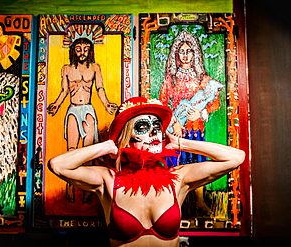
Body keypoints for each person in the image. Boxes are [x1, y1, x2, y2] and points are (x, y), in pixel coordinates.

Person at [48, 97, 245, 247]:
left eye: (157, 127)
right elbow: (58, 165)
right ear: (127, 137)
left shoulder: (178, 179)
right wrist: (108, 146)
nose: (154, 133)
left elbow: (235, 158)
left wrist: (180, 143)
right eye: (143, 127)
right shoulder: (107, 180)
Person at [159, 31, 224, 214]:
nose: (185, 55)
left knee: (198, 164)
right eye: (182, 51)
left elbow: (215, 103)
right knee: (177, 164)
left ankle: (199, 201)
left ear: (195, 54)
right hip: (177, 130)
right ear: (176, 56)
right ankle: (174, 203)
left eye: (189, 51)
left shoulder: (203, 79)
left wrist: (201, 112)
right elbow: (163, 104)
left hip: (196, 128)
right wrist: (175, 122)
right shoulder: (170, 79)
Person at [47, 37, 118, 203]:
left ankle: (88, 193)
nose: (82, 52)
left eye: (85, 49)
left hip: (88, 110)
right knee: (71, 152)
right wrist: (57, 105)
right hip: (72, 109)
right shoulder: (66, 69)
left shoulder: (95, 68)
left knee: (88, 153)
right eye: (78, 49)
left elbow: (100, 88)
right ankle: (70, 191)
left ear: (90, 51)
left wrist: (107, 104)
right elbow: (64, 90)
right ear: (74, 51)